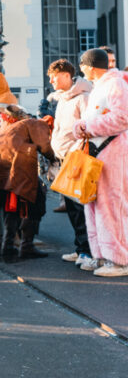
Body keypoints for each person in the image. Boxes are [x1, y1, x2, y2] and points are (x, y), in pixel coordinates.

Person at [73, 48, 128, 276]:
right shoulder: (103, 86)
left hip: (111, 153)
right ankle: (103, 255)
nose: (81, 69)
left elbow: (122, 118)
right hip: (99, 152)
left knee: (111, 205)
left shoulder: (115, 84)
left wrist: (85, 127)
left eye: (83, 65)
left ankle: (118, 259)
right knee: (94, 203)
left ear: (91, 65)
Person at [0, 106, 54, 260]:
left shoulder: (12, 129)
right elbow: (44, 146)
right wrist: (53, 157)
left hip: (1, 170)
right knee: (37, 202)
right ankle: (26, 246)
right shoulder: (37, 123)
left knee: (13, 206)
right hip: (18, 167)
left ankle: (8, 245)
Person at [46, 59, 92, 266]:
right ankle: (80, 247)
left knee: (80, 206)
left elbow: (88, 129)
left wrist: (76, 151)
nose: (51, 81)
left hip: (76, 157)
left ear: (65, 75)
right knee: (72, 207)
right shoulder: (63, 99)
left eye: (53, 76)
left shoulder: (83, 97)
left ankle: (87, 251)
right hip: (63, 157)